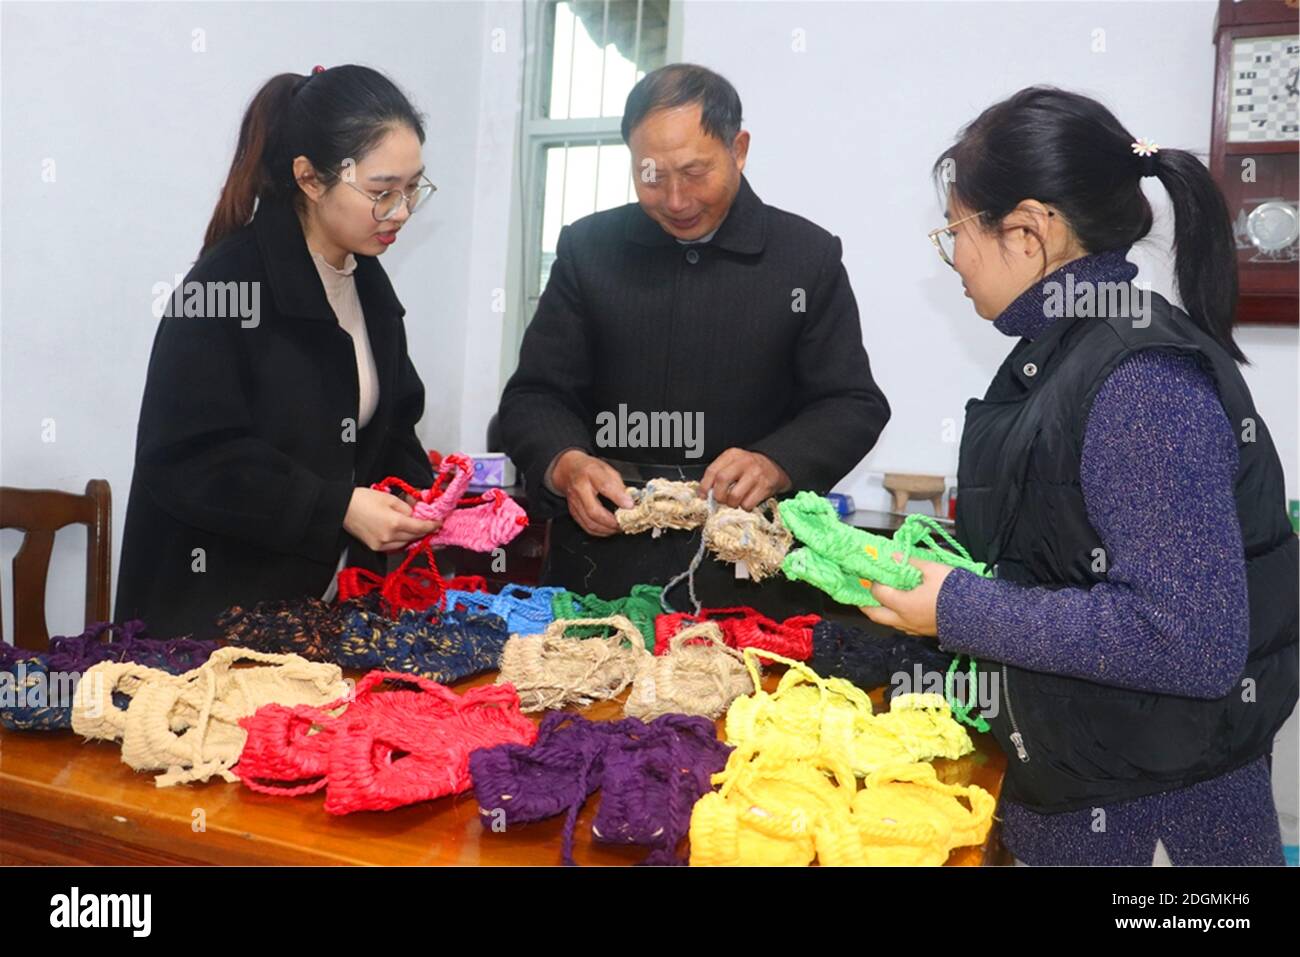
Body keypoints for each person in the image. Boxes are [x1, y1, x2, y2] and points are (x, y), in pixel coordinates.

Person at [865, 87, 1297, 866]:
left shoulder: (1139, 381)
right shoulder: (1065, 356)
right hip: (1087, 782)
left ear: (1029, 230)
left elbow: (1189, 640)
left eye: (955, 231)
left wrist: (956, 606)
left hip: (1158, 815)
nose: (954, 257)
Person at [498, 63, 890, 613]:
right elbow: (534, 396)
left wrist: (774, 462)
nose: (675, 199)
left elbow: (852, 404)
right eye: (651, 176)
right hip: (599, 559)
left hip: (750, 568)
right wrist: (565, 463)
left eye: (695, 172)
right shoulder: (590, 250)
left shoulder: (805, 257)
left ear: (739, 149)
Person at [115, 65, 442, 638]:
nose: (402, 211)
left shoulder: (368, 285)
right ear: (310, 179)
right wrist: (335, 507)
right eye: (382, 191)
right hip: (205, 622)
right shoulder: (223, 288)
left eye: (413, 187)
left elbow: (389, 430)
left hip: (313, 618)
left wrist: (427, 498)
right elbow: (191, 460)